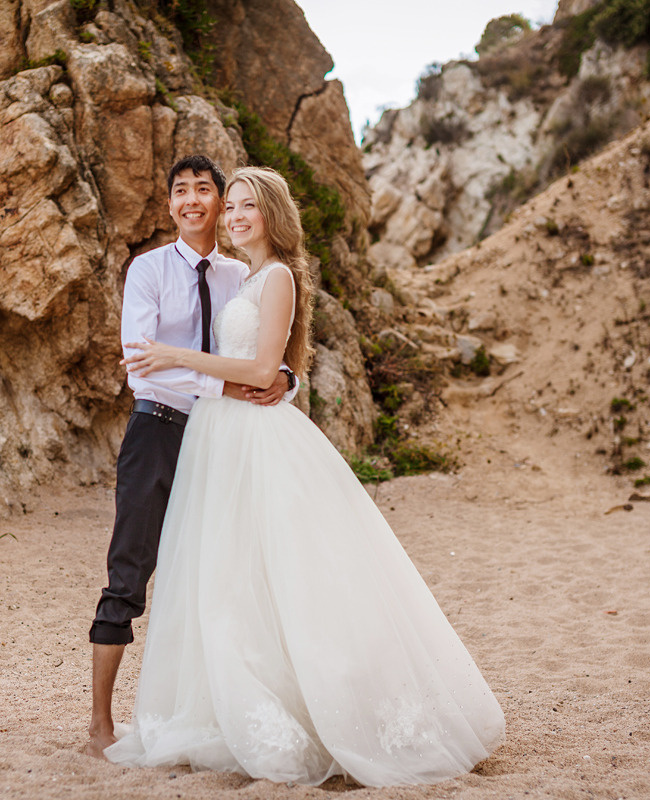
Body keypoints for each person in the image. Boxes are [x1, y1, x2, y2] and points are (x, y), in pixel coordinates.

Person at [106, 166, 505, 786]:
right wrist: (264, 377)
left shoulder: (274, 276)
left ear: (271, 213)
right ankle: (199, 711)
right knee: (218, 574)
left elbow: (267, 368)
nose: (235, 216)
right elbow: (230, 363)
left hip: (247, 435)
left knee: (282, 569)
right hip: (205, 433)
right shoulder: (224, 274)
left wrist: (190, 357)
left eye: (246, 205)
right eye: (232, 205)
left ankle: (311, 709)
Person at [85, 155, 295, 759]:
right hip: (157, 429)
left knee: (221, 574)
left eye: (205, 190)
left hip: (221, 442)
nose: (193, 200)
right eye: (181, 191)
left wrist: (287, 380)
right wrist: (224, 385)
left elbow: (264, 353)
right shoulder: (148, 269)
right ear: (171, 203)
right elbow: (141, 368)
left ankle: (215, 713)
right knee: (129, 570)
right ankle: (100, 725)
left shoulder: (243, 274)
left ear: (221, 203)